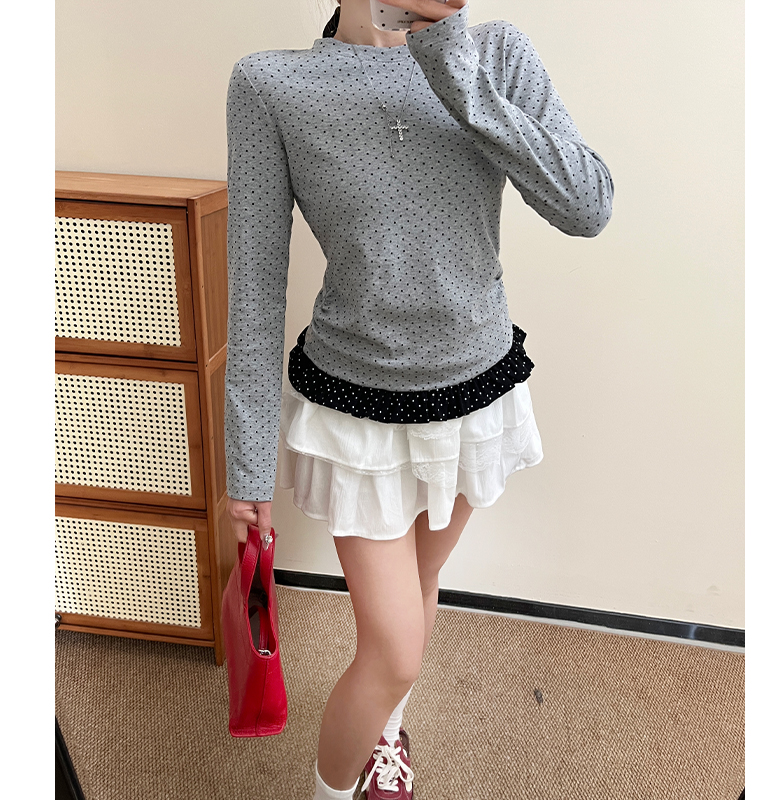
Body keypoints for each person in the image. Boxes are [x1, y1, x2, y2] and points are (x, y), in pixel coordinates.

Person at [224, 0, 614, 797]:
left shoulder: (493, 54)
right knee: (395, 651)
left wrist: (452, 65)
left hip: (474, 395)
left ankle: (386, 737)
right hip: (355, 410)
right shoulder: (272, 85)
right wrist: (247, 465)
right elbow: (256, 289)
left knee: (420, 588)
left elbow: (587, 206)